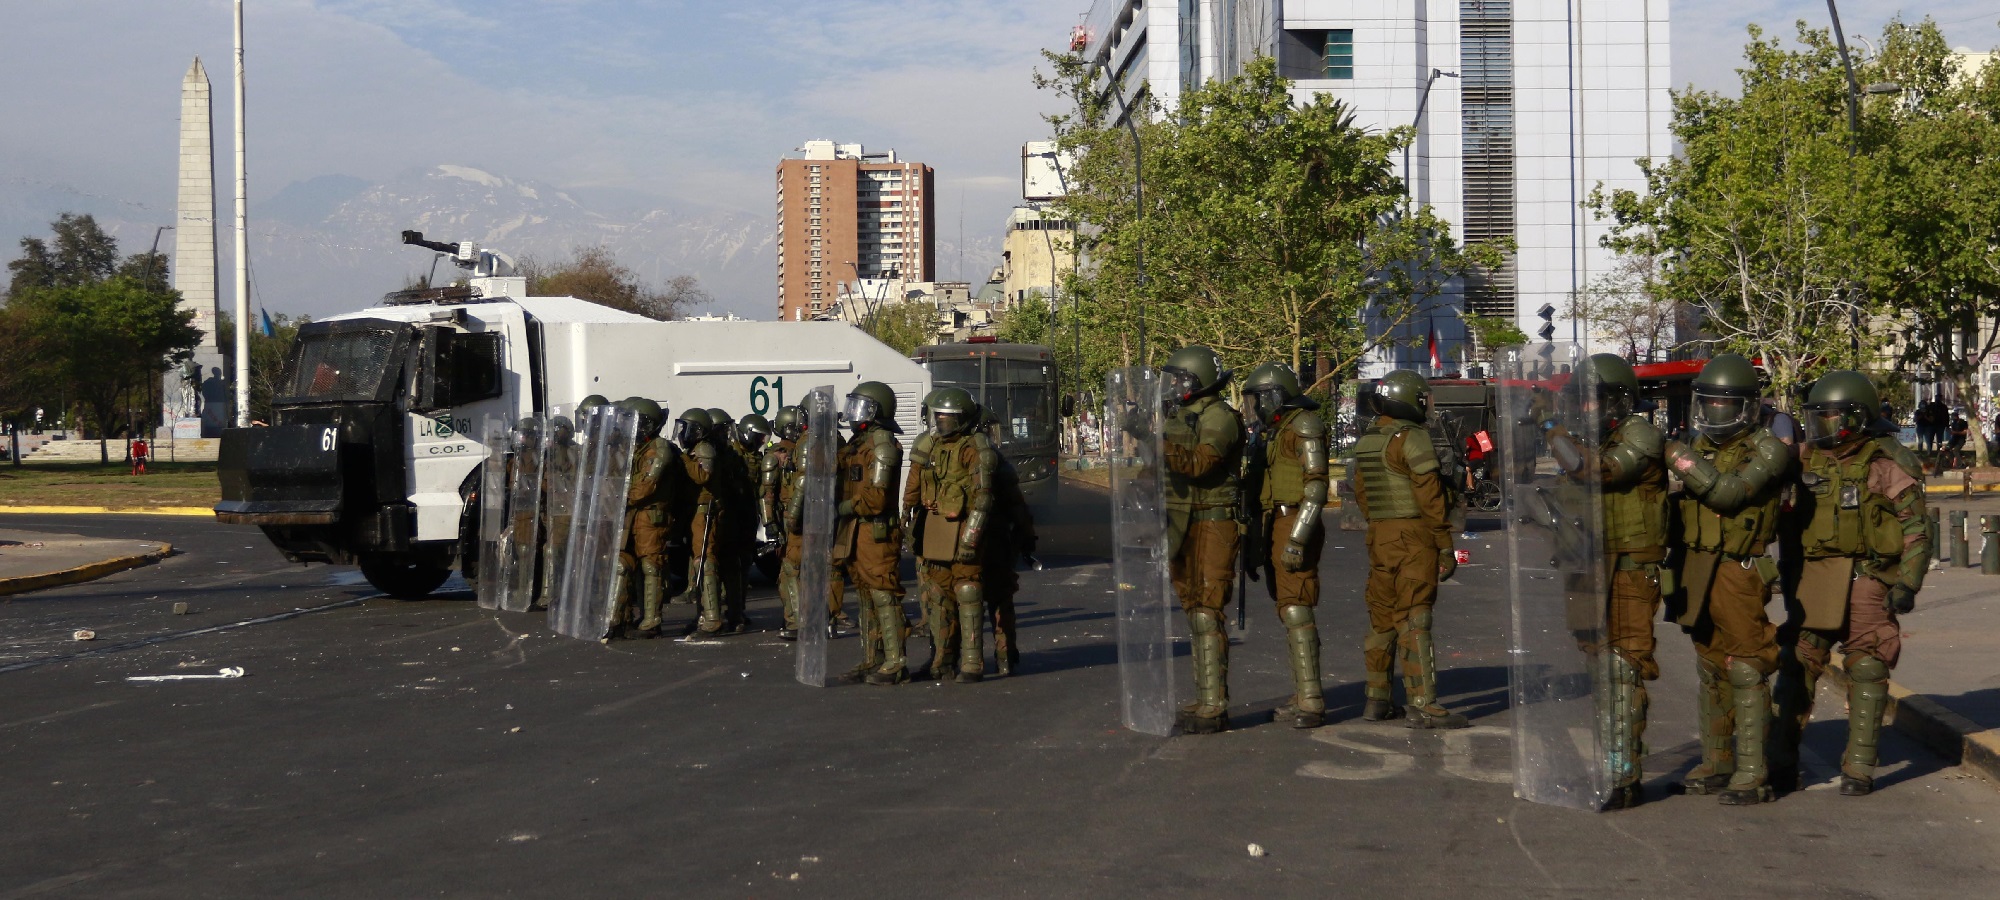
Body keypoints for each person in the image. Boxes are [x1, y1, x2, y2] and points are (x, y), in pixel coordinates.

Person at [1771, 371, 1929, 796]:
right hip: (1814, 579)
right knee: (1797, 662)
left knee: (1869, 664)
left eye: (1831, 417)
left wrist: (1907, 584)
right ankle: (1780, 761)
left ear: (1857, 419)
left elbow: (1916, 530)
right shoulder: (1802, 459)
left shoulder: (1886, 464)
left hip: (1867, 578)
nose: (1822, 426)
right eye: (1818, 417)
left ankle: (1859, 768)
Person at [1542, 353, 1668, 809]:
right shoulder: (1583, 438)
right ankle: (1610, 766)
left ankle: (1622, 775)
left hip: (1629, 567)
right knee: (1599, 668)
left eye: (1593, 401)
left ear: (1618, 401)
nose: (1585, 409)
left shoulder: (1640, 435)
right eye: (1580, 400)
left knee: (1621, 667)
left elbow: (1595, 469)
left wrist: (1551, 428)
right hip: (1588, 564)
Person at [1662, 354, 1786, 805]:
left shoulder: (1767, 449)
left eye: (1724, 403)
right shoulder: (1701, 445)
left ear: (1747, 406)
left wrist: (1677, 456)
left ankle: (1753, 771)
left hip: (1740, 567)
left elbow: (1729, 494)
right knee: (1711, 666)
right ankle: (1717, 761)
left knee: (1747, 663)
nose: (1715, 411)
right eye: (1709, 402)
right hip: (1697, 564)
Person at [1349, 369, 1466, 730]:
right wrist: (1444, 545)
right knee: (1415, 615)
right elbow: (1429, 496)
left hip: (1380, 535)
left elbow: (1362, 492)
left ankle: (1377, 699)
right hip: (1414, 535)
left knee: (1382, 618)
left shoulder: (1369, 439)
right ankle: (1423, 703)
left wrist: (1381, 526)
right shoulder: (1412, 437)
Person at [1158, 346, 1244, 734]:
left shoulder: (1219, 417)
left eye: (1181, 379)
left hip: (1213, 521)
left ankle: (1214, 705)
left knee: (1208, 610)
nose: (1174, 386)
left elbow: (1199, 464)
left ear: (1199, 380)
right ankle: (1204, 696)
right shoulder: (1179, 416)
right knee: (1194, 610)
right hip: (1182, 521)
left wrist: (1155, 442)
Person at [1242, 362, 1330, 729]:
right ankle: (1303, 693)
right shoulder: (1274, 432)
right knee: (1287, 606)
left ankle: (1311, 699)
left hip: (1294, 520)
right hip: (1274, 522)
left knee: (1296, 607)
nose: (1254, 407)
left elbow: (1317, 487)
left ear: (1275, 396)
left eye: (1258, 399)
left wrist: (1297, 538)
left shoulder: (1303, 425)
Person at [903, 387, 997, 682]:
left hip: (965, 526)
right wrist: (908, 523)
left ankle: (972, 662)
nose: (941, 422)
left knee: (968, 590)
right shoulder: (931, 446)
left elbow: (983, 498)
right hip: (936, 528)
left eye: (948, 417)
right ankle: (942, 660)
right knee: (937, 594)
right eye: (938, 416)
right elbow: (916, 487)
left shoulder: (975, 448)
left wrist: (971, 537)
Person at [835, 381, 908, 685]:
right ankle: (872, 659)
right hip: (856, 531)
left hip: (876, 532)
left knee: (883, 594)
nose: (853, 413)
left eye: (860, 407)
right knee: (865, 595)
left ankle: (895, 662)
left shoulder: (882, 445)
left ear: (876, 411)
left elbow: (877, 499)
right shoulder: (858, 442)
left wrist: (844, 507)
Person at [619, 398, 677, 639]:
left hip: (650, 516)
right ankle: (621, 618)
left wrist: (622, 497)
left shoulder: (658, 449)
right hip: (632, 515)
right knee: (624, 565)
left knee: (651, 566)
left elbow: (646, 485)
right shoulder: (637, 448)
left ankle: (652, 621)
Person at [672, 408, 726, 636]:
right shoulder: (695, 449)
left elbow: (703, 475)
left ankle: (712, 618)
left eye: (687, 428)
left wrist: (684, 460)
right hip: (696, 511)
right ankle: (702, 615)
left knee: (705, 561)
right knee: (698, 562)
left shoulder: (704, 449)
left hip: (705, 511)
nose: (682, 433)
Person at [538, 415, 579, 608]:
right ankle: (553, 592)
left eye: (558, 429)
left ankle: (553, 593)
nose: (555, 433)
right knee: (553, 550)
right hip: (554, 509)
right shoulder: (548, 453)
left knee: (555, 549)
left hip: (570, 507)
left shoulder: (576, 452)